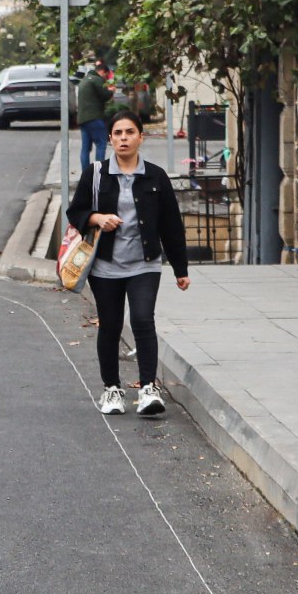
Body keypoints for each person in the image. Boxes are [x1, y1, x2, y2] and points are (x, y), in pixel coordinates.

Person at [65, 108, 191, 417]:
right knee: (110, 326)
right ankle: (112, 390)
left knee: (143, 321)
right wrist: (97, 217)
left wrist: (180, 269)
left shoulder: (156, 177)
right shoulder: (95, 174)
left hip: (144, 264)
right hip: (105, 266)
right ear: (110, 139)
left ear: (140, 137)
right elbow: (76, 212)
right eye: (118, 133)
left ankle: (148, 388)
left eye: (130, 132)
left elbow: (171, 225)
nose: (124, 138)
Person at [74, 60, 113, 169]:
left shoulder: (84, 80)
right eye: (106, 75)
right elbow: (105, 95)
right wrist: (111, 91)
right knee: (101, 145)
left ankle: (85, 174)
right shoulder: (97, 80)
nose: (106, 78)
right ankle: (99, 173)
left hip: (82, 119)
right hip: (95, 118)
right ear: (103, 72)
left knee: (85, 149)